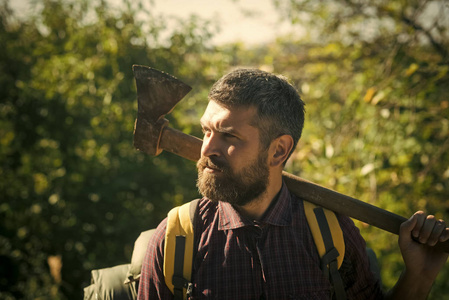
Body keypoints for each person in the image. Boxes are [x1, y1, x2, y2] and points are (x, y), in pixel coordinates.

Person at [138, 69, 449, 299]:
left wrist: (419, 277)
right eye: (206, 131)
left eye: (229, 136)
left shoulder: (329, 234)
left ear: (279, 150)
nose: (206, 149)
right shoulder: (177, 239)